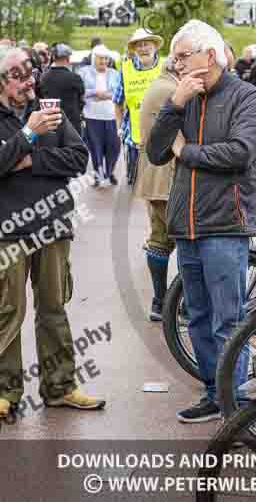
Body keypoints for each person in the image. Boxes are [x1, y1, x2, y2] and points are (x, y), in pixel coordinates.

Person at [0, 45, 104, 421]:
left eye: (30, 72)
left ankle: (61, 387)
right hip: (4, 230)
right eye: (19, 74)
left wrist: (28, 159)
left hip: (52, 225)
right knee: (8, 312)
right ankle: (3, 393)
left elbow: (78, 158)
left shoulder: (49, 110)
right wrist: (27, 134)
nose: (29, 80)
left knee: (53, 309)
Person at [148, 19, 256, 423]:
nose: (176, 64)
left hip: (225, 225)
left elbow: (240, 153)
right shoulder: (185, 98)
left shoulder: (245, 96)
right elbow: (155, 152)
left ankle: (236, 399)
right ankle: (215, 393)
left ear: (208, 55)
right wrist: (174, 105)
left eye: (182, 56)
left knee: (228, 318)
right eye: (174, 58)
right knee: (196, 315)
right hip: (186, 224)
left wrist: (189, 152)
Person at [137, 57, 180, 321]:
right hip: (169, 176)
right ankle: (178, 303)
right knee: (184, 238)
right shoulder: (172, 90)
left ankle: (159, 302)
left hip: (155, 177)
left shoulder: (159, 84)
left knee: (159, 238)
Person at [114, 28, 163, 186]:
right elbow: (117, 101)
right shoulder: (126, 69)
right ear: (134, 50)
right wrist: (119, 126)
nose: (143, 48)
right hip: (134, 137)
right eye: (139, 45)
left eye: (146, 44)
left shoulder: (166, 67)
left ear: (155, 46)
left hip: (163, 135)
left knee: (159, 185)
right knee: (138, 184)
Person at [79, 44, 121, 187]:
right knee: (95, 147)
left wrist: (106, 95)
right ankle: (98, 174)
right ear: (93, 59)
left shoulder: (114, 73)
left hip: (111, 116)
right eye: (100, 59)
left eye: (105, 59)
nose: (103, 62)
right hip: (92, 116)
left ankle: (109, 171)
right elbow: (80, 91)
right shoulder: (84, 72)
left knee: (114, 146)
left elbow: (119, 92)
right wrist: (94, 93)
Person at [38, 43, 85, 131]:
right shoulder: (75, 78)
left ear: (54, 58)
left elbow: (40, 98)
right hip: (72, 124)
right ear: (68, 58)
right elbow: (81, 101)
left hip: (50, 123)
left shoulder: (44, 77)